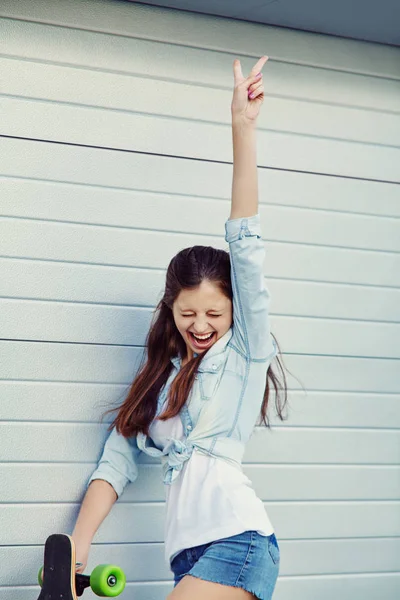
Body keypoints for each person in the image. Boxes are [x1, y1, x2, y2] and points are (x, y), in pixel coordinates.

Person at [71, 55, 288, 600]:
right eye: (188, 314)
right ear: (170, 310)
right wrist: (76, 547)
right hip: (189, 555)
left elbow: (247, 244)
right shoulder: (160, 380)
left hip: (238, 540)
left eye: (215, 314)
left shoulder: (244, 352)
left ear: (235, 313)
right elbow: (116, 461)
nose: (201, 325)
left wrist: (242, 129)